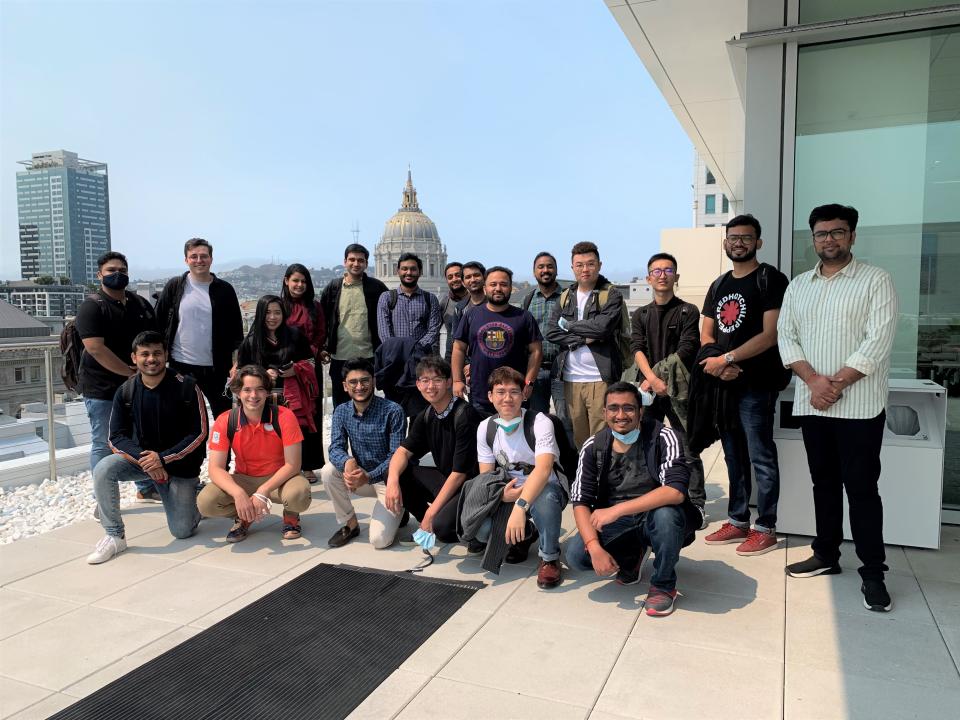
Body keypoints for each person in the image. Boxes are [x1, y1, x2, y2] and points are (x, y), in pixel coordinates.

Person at [778, 204, 898, 612]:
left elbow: (877, 342)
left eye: (837, 232)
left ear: (852, 236)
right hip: (814, 405)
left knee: (862, 490)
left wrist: (836, 383)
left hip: (860, 408)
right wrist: (813, 381)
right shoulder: (798, 285)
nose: (828, 239)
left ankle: (873, 573)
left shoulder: (876, 281)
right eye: (821, 233)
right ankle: (827, 556)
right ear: (812, 238)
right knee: (823, 484)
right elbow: (787, 337)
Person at [700, 215, 790, 557]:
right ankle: (738, 520)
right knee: (734, 456)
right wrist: (719, 365)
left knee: (760, 455)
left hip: (757, 384)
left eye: (746, 237)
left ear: (758, 242)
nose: (739, 243)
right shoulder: (719, 284)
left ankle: (765, 526)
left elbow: (771, 335)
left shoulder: (770, 279)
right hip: (725, 386)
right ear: (725, 243)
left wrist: (727, 359)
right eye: (733, 238)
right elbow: (707, 334)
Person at [565, 382, 695, 617]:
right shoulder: (594, 446)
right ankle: (631, 558)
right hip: (621, 522)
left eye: (629, 408)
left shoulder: (664, 437)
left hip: (656, 515)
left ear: (641, 412)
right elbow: (580, 501)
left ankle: (664, 585)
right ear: (604, 413)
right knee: (577, 555)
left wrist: (617, 510)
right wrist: (594, 547)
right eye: (613, 408)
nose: (621, 415)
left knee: (666, 517)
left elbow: (675, 492)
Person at [87, 331, 206, 564]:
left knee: (182, 531)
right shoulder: (127, 390)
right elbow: (115, 437)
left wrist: (162, 459)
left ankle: (198, 496)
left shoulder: (187, 388)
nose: (151, 359)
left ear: (166, 355)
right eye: (145, 354)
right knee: (104, 468)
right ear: (134, 358)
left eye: (157, 353)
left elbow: (199, 433)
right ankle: (114, 536)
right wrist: (148, 461)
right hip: (146, 463)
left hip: (180, 467)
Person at [75, 251, 158, 501]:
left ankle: (145, 488)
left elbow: (153, 340)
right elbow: (95, 348)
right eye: (112, 270)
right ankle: (104, 500)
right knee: (103, 443)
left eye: (122, 270)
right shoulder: (92, 306)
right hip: (102, 389)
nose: (117, 274)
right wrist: (130, 372)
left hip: (138, 387)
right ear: (100, 274)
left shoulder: (139, 303)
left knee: (141, 438)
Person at [630, 252, 706, 524]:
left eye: (668, 270)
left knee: (687, 447)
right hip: (648, 391)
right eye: (657, 271)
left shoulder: (688, 311)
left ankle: (696, 501)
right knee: (648, 445)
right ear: (649, 277)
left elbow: (688, 348)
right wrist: (651, 379)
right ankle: (650, 494)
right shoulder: (640, 314)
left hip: (679, 391)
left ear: (676, 276)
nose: (662, 275)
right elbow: (636, 348)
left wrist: (655, 377)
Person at [198, 365, 311, 543]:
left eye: (259, 389)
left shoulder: (284, 416)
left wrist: (263, 491)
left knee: (299, 494)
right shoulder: (226, 420)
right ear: (237, 392)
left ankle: (291, 515)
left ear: (267, 391)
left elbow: (293, 464)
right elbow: (215, 468)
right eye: (247, 390)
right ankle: (244, 514)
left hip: (280, 478)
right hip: (245, 477)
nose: (253, 395)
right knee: (206, 502)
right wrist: (238, 494)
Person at [474, 367, 565, 588]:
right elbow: (487, 477)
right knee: (481, 531)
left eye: (514, 392)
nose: (507, 398)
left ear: (524, 394)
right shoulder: (485, 428)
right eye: (500, 392)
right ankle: (527, 535)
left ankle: (550, 557)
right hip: (510, 491)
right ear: (490, 396)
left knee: (546, 501)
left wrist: (519, 506)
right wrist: (502, 496)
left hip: (545, 489)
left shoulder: (540, 422)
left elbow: (543, 471)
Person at [384, 356, 485, 543]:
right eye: (425, 381)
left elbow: (460, 474)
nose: (431, 386)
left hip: (470, 486)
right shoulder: (427, 415)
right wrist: (392, 482)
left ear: (448, 382)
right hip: (448, 480)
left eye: (437, 380)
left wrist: (432, 511)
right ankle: (427, 522)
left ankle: (465, 525)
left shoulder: (465, 415)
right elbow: (403, 451)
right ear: (418, 385)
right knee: (395, 472)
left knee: (444, 529)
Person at [545, 241, 627, 448]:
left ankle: (605, 479)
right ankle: (587, 479)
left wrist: (570, 326)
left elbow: (602, 328)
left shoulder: (612, 294)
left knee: (604, 437)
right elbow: (552, 331)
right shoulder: (565, 297)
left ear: (599, 265)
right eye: (579, 265)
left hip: (601, 378)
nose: (585, 269)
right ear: (572, 267)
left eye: (590, 264)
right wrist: (585, 336)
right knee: (580, 440)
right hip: (571, 379)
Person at [322, 358, 408, 549]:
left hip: (389, 481)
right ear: (345, 386)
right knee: (328, 472)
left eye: (364, 380)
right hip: (360, 476)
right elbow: (335, 447)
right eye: (353, 382)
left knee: (379, 541)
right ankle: (350, 525)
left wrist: (368, 476)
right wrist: (347, 461)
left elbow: (396, 455)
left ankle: (402, 508)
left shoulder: (393, 411)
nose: (359, 386)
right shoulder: (341, 411)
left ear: (374, 382)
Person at [155, 238, 243, 419]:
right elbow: (158, 322)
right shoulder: (175, 286)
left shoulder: (225, 290)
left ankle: (221, 449)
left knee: (224, 419)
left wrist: (237, 363)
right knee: (184, 421)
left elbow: (237, 332)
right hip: (181, 366)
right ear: (186, 260)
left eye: (203, 256)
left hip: (217, 369)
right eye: (193, 256)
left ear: (211, 259)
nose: (199, 260)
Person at [237, 295, 317, 480]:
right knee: (266, 438)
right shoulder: (250, 342)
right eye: (268, 313)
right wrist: (262, 374)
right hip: (259, 399)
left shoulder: (295, 335)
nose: (272, 317)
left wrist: (295, 370)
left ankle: (294, 472)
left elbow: (311, 362)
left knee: (292, 436)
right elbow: (241, 371)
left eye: (277, 312)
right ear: (260, 314)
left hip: (291, 397)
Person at [452, 266, 542, 414]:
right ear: (485, 287)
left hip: (514, 395)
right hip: (480, 394)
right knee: (482, 435)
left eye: (503, 284)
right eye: (493, 284)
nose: (498, 288)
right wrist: (456, 380)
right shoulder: (471, 315)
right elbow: (458, 348)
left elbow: (536, 351)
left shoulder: (524, 317)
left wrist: (529, 382)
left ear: (511, 288)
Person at [319, 243, 388, 407]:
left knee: (367, 405)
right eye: (352, 260)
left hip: (368, 356)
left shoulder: (376, 288)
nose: (356, 264)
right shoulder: (333, 288)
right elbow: (322, 319)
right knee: (341, 406)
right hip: (339, 357)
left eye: (360, 260)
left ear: (366, 263)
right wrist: (324, 346)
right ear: (345, 261)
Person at [376, 252, 442, 415]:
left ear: (420, 271)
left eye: (413, 269)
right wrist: (402, 352)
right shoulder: (387, 298)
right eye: (404, 269)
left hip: (421, 365)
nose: (408, 273)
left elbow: (433, 330)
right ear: (397, 271)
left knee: (420, 413)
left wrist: (414, 353)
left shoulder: (430, 298)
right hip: (394, 365)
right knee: (393, 412)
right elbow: (384, 333)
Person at [281, 264, 327, 481]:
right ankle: (286, 465)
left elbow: (320, 335)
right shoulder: (279, 306)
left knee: (310, 416)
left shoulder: (315, 307)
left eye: (303, 281)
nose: (299, 285)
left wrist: (307, 359)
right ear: (286, 280)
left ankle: (308, 465)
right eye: (295, 280)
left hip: (308, 368)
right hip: (282, 369)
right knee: (285, 415)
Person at [521, 252, 569, 433]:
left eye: (550, 266)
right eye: (541, 267)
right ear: (534, 272)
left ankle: (566, 458)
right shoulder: (529, 299)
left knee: (565, 419)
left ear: (556, 270)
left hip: (563, 369)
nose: (545, 270)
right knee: (537, 419)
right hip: (536, 370)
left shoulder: (568, 297)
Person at [439, 261, 467, 360]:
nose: (454, 279)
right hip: (450, 358)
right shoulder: (444, 302)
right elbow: (434, 332)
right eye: (450, 277)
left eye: (458, 275)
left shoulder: (476, 300)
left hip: (474, 358)